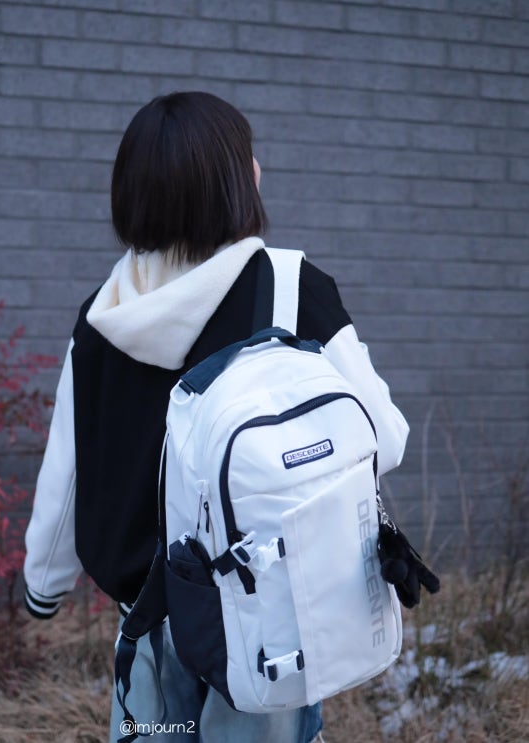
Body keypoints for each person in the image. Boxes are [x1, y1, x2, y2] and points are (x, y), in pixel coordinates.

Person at [23, 91, 409, 743]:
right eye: (247, 156)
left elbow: (67, 468)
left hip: (147, 618)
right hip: (267, 617)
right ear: (230, 182)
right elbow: (384, 438)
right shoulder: (289, 288)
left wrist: (44, 584)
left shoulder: (102, 313)